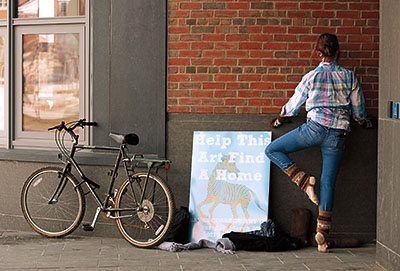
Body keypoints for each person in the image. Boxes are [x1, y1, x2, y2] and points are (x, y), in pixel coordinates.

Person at [264, 33, 372, 253]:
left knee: (272, 149)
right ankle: (322, 233)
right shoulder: (349, 76)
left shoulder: (311, 76)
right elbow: (359, 109)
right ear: (338, 52)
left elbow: (294, 106)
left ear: (318, 52)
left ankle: (304, 181)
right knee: (328, 182)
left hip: (314, 129)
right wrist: (364, 122)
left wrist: (280, 118)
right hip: (339, 133)